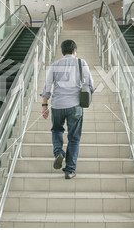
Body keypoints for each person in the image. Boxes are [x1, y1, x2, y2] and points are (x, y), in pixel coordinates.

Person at [40, 39, 94, 179]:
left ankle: (59, 152)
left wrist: (44, 105)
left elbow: (47, 86)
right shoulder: (81, 63)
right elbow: (90, 85)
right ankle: (69, 171)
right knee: (74, 138)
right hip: (75, 106)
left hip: (57, 105)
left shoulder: (55, 64)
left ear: (62, 51)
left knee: (56, 130)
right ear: (74, 51)